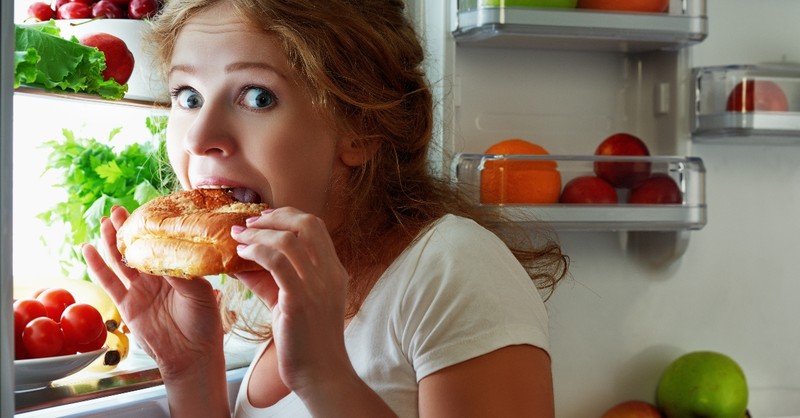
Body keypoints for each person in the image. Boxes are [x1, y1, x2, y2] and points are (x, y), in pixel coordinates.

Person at [81, 0, 569, 416]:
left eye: (257, 97)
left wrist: (324, 375)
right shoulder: (278, 285)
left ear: (360, 125)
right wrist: (191, 367)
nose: (199, 137)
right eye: (187, 96)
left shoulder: (454, 266)